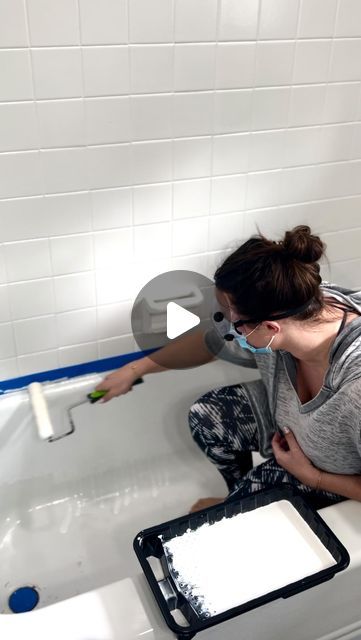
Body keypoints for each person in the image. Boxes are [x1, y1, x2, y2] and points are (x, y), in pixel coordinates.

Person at [96, 225, 361, 512]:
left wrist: (314, 477)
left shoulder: (354, 389)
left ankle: (236, 506)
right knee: (206, 417)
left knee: (220, 521)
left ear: (271, 328)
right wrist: (136, 369)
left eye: (236, 325)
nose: (229, 330)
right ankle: (236, 497)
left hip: (332, 475)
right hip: (292, 430)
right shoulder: (299, 303)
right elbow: (213, 341)